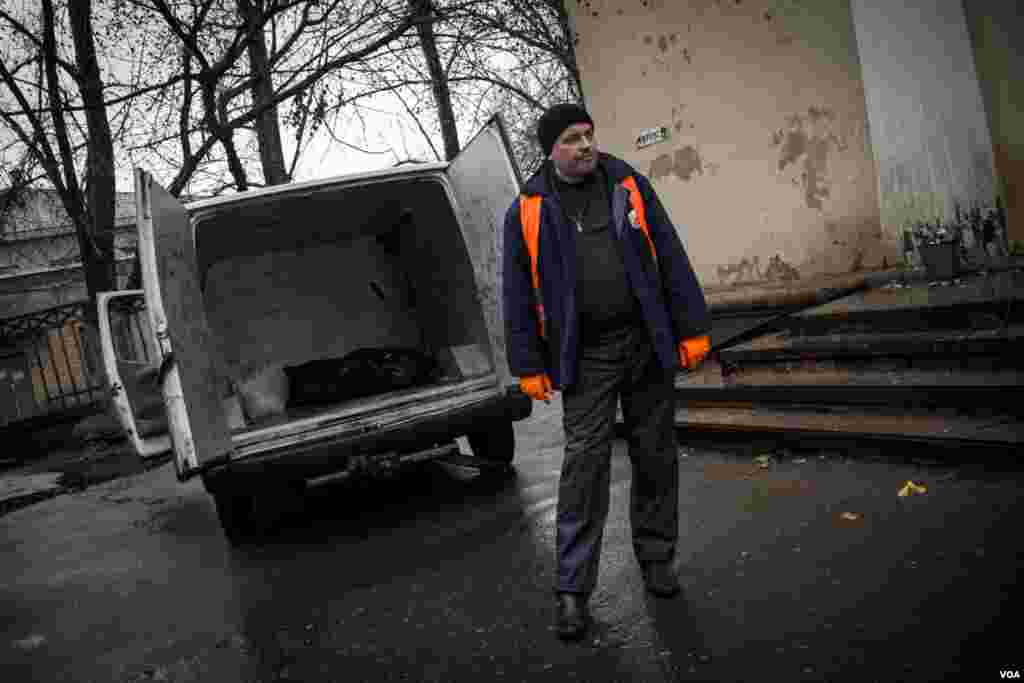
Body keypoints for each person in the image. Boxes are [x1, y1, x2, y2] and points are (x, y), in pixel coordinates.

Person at [501, 103, 711, 641]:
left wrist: (691, 327)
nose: (586, 145)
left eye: (589, 134)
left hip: (645, 343)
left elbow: (669, 251)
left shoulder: (627, 184)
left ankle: (657, 559)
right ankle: (573, 591)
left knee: (655, 454)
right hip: (584, 357)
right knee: (584, 468)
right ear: (551, 149)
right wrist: (527, 364)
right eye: (573, 138)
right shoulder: (528, 207)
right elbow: (517, 292)